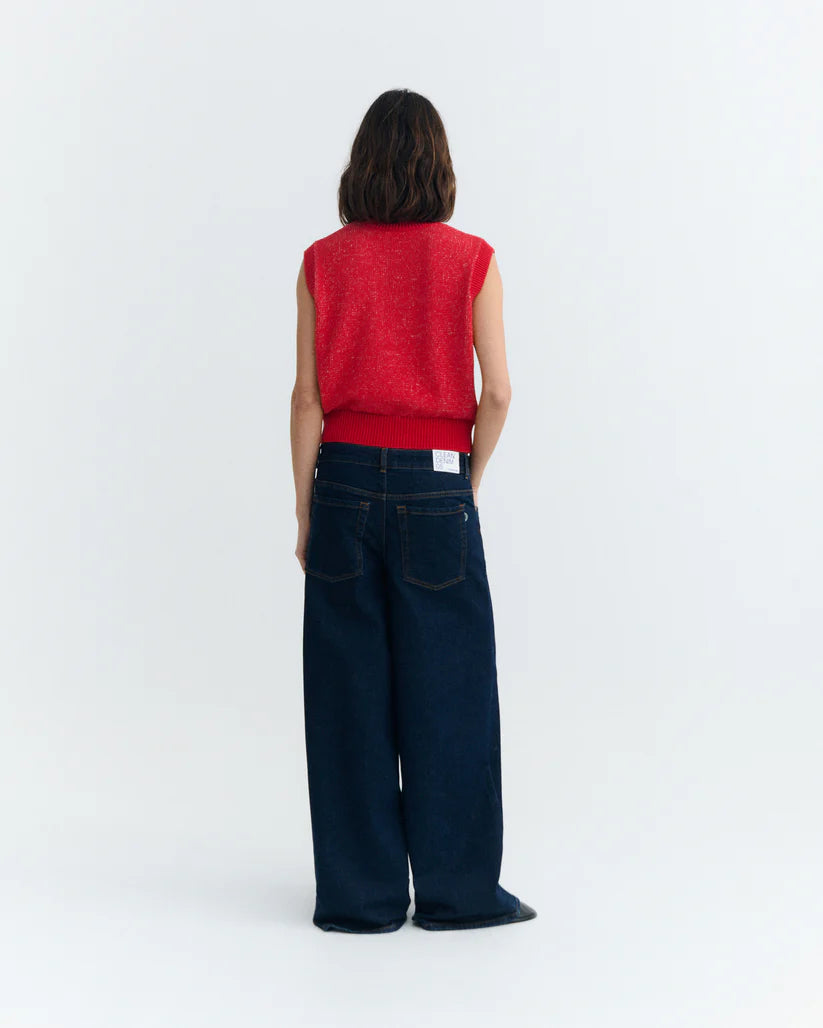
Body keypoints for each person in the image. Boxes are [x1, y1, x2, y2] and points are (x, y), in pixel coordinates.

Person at [291, 88, 536, 933]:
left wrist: (304, 511)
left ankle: (357, 901)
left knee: (347, 694)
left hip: (341, 481)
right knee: (451, 690)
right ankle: (457, 894)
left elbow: (307, 399)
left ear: (360, 164)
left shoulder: (322, 261)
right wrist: (466, 481)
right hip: (437, 482)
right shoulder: (471, 259)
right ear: (440, 167)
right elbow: (497, 393)